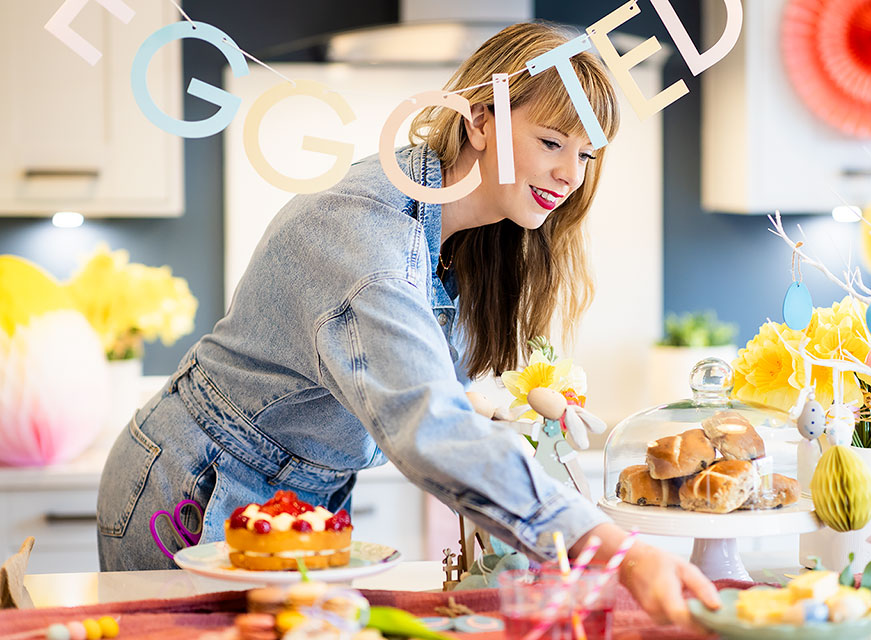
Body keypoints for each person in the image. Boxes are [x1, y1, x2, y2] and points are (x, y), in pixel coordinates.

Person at [97, 21, 720, 626]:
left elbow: (444, 398)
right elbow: (429, 424)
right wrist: (615, 548)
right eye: (552, 142)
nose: (570, 174)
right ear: (480, 118)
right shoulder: (370, 237)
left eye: (585, 153)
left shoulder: (462, 234)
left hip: (296, 498)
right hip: (200, 483)